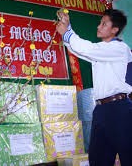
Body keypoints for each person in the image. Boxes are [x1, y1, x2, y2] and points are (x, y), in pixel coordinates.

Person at [56, 9, 132, 166]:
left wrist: (67, 33)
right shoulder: (102, 50)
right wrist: (67, 28)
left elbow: (87, 49)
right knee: (98, 158)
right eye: (100, 23)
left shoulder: (119, 48)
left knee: (128, 155)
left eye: (104, 23)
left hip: (119, 109)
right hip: (101, 110)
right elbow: (79, 50)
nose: (99, 26)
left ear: (115, 30)